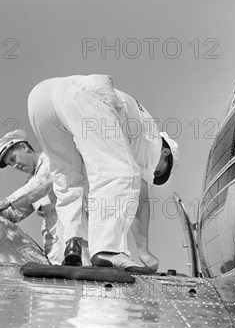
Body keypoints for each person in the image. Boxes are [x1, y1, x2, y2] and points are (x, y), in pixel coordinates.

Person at [27, 74, 178, 273]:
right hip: (86, 94)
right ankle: (109, 249)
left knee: (67, 177)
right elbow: (140, 196)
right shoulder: (153, 142)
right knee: (123, 172)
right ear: (166, 153)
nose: (153, 174)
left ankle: (72, 244)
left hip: (40, 98)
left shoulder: (131, 125)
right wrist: (144, 251)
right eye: (159, 170)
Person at [0, 129, 89, 265]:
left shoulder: (51, 158)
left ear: (24, 147)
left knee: (89, 276)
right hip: (55, 247)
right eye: (11, 164)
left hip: (79, 234)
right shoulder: (29, 185)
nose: (15, 165)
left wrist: (6, 201)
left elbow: (42, 182)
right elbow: (13, 214)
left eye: (13, 159)